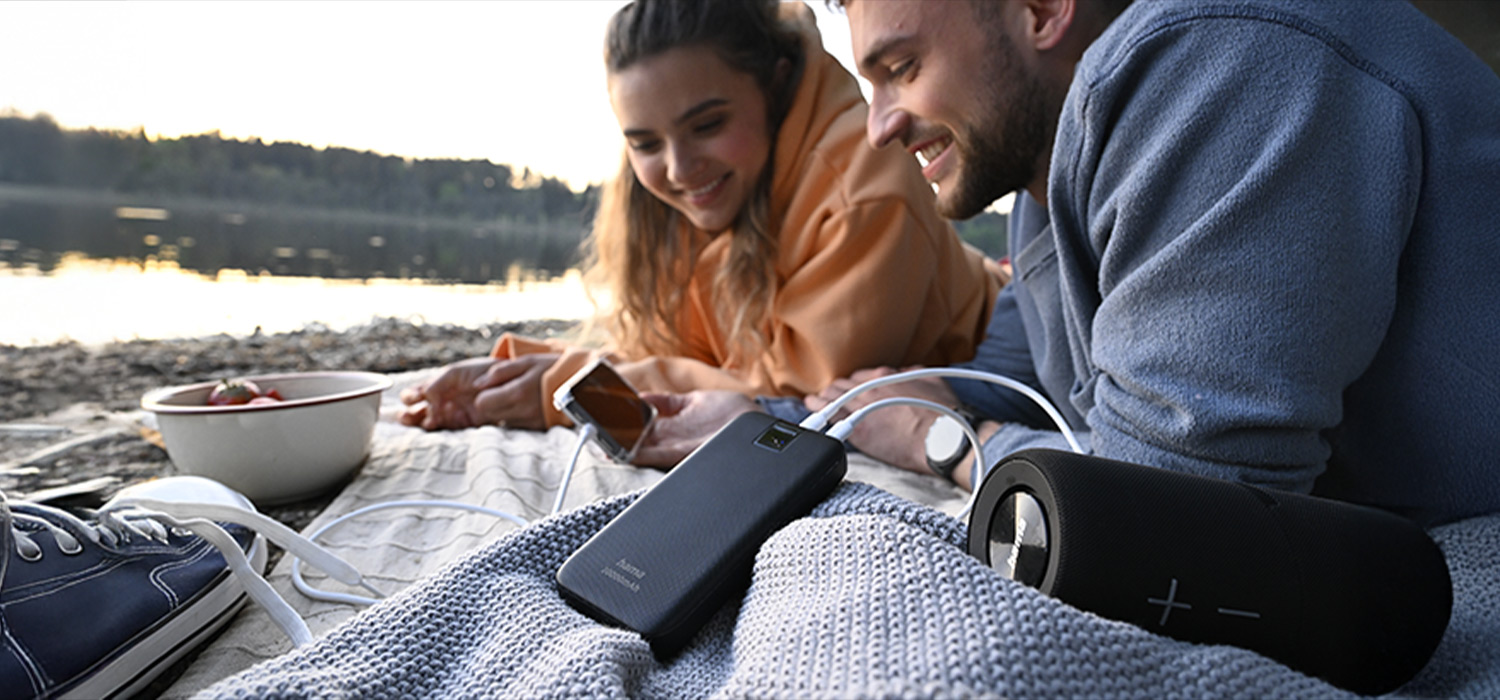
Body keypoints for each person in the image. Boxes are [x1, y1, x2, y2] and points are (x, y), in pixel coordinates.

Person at [643, 0, 1500, 529]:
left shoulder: (1223, 61)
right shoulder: (1040, 188)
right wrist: (759, 418)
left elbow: (1171, 520)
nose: (879, 127)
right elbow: (984, 383)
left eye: (901, 69)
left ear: (1044, 7)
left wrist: (945, 447)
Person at [398, 0, 1001, 443]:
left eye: (708, 125)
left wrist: (563, 386)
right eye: (645, 143)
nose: (680, 170)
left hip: (994, 343)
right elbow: (677, 354)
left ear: (777, 83)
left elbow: (797, 393)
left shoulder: (866, 189)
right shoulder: (701, 192)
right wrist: (530, 374)